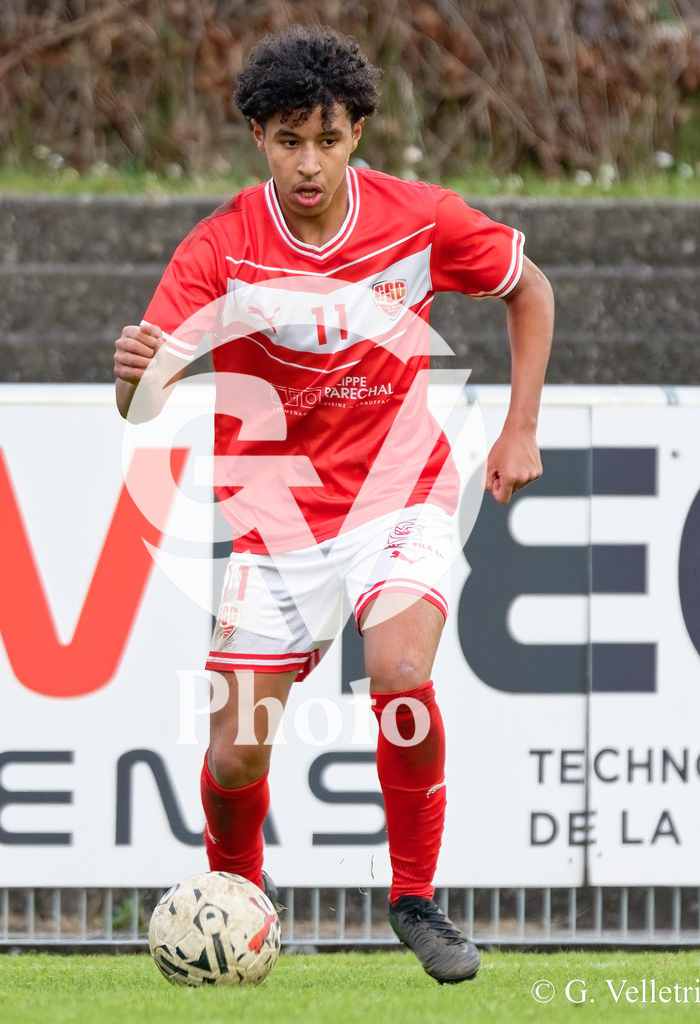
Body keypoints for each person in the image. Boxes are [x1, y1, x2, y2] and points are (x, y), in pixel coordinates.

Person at [114, 25, 553, 985]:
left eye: (325, 138)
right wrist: (135, 376)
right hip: (274, 524)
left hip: (399, 498)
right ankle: (237, 910)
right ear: (258, 140)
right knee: (233, 757)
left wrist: (519, 428)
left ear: (356, 133)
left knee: (399, 668)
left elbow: (530, 289)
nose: (306, 162)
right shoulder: (223, 246)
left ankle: (414, 899)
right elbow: (144, 395)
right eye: (285, 140)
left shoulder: (419, 218)